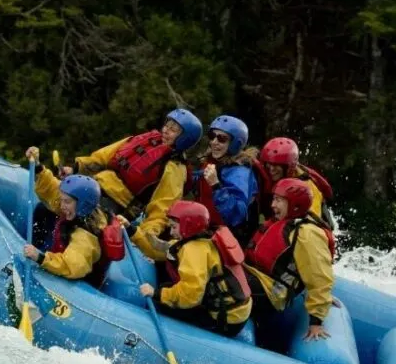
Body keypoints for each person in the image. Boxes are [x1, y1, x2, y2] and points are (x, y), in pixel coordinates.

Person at [62, 109, 202, 259]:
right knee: (56, 204)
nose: (167, 130)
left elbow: (161, 209)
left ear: (184, 139)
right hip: (95, 185)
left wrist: (145, 235)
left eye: (174, 130)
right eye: (167, 125)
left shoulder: (174, 169)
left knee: (82, 222)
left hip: (118, 204)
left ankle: (68, 259)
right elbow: (103, 157)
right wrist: (76, 167)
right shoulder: (146, 139)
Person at [138, 201, 252, 337]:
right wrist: (134, 232)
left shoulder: (194, 250)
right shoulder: (203, 240)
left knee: (163, 302)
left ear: (188, 226)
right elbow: (162, 248)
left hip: (226, 320)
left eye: (174, 227)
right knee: (167, 287)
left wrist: (157, 294)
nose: (171, 232)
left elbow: (190, 296)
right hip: (236, 311)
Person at [244, 178, 335, 341]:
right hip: (257, 278)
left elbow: (320, 277)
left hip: (272, 294)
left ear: (294, 204)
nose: (273, 205)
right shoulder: (281, 222)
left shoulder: (307, 234)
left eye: (279, 200)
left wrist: (316, 321)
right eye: (274, 199)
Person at [23, 147, 122, 284]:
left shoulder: (86, 235)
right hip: (70, 255)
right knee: (43, 209)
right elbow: (53, 190)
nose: (62, 205)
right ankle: (35, 244)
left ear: (81, 204)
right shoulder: (80, 206)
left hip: (82, 281)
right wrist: (39, 167)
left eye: (67, 202)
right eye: (63, 200)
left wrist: (40, 258)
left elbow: (73, 266)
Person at [192, 115, 259, 244]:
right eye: (212, 136)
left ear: (235, 143)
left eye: (222, 139)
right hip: (206, 232)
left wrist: (216, 185)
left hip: (228, 241)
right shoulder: (212, 162)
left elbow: (236, 214)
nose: (214, 142)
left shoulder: (240, 172)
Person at [259, 137, 334, 224]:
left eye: (276, 165)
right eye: (269, 164)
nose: (271, 169)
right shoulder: (277, 176)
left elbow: (310, 224)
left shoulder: (308, 188)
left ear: (288, 167)